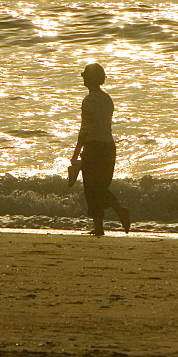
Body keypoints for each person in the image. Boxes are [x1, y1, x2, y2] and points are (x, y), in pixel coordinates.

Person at [69, 63, 131, 237]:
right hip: (109, 147)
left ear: (92, 79)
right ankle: (112, 215)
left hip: (94, 146)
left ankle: (104, 222)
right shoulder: (107, 99)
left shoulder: (89, 101)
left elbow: (85, 129)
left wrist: (76, 153)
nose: (83, 79)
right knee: (101, 186)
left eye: (86, 76)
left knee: (91, 188)